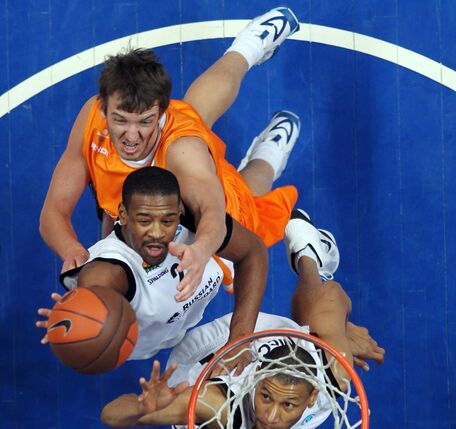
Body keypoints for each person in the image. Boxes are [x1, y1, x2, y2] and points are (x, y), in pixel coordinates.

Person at [39, 7, 301, 302]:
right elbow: (53, 212)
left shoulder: (183, 149)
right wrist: (72, 250)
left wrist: (202, 250)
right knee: (197, 107)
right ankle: (251, 44)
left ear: (162, 113)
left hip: (208, 202)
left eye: (145, 121)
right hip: (133, 206)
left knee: (250, 199)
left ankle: (269, 149)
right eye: (121, 120)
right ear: (103, 108)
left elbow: (212, 213)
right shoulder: (92, 118)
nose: (131, 135)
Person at [100, 209, 385, 429]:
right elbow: (110, 416)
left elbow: (332, 294)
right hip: (210, 353)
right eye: (266, 396)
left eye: (288, 405)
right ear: (256, 378)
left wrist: (343, 329)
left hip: (289, 345)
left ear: (312, 398)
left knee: (318, 320)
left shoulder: (335, 373)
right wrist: (144, 408)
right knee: (316, 329)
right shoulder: (217, 406)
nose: (270, 417)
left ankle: (307, 251)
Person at [37, 166, 267, 371]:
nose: (157, 234)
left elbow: (252, 252)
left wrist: (240, 340)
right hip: (153, 334)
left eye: (167, 221)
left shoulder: (195, 218)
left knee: (251, 195)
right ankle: (105, 195)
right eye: (144, 221)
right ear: (124, 215)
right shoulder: (109, 270)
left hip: (212, 261)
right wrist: (80, 316)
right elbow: (98, 285)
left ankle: (268, 153)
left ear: (178, 212)